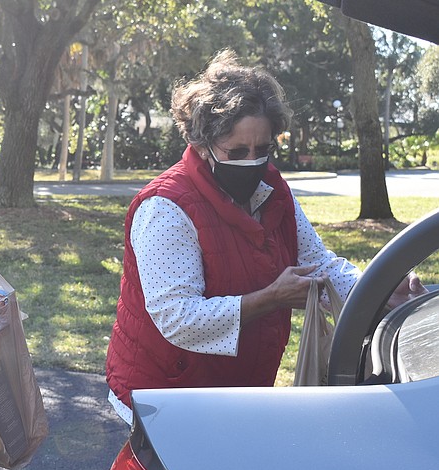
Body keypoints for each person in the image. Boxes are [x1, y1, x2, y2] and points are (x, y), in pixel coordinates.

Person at [105, 49, 426, 425]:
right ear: (202, 144)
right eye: (238, 151)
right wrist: (267, 300)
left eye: (264, 149)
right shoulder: (165, 207)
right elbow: (177, 317)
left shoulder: (274, 190)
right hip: (163, 396)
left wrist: (379, 289)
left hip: (237, 390)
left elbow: (318, 265)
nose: (252, 162)